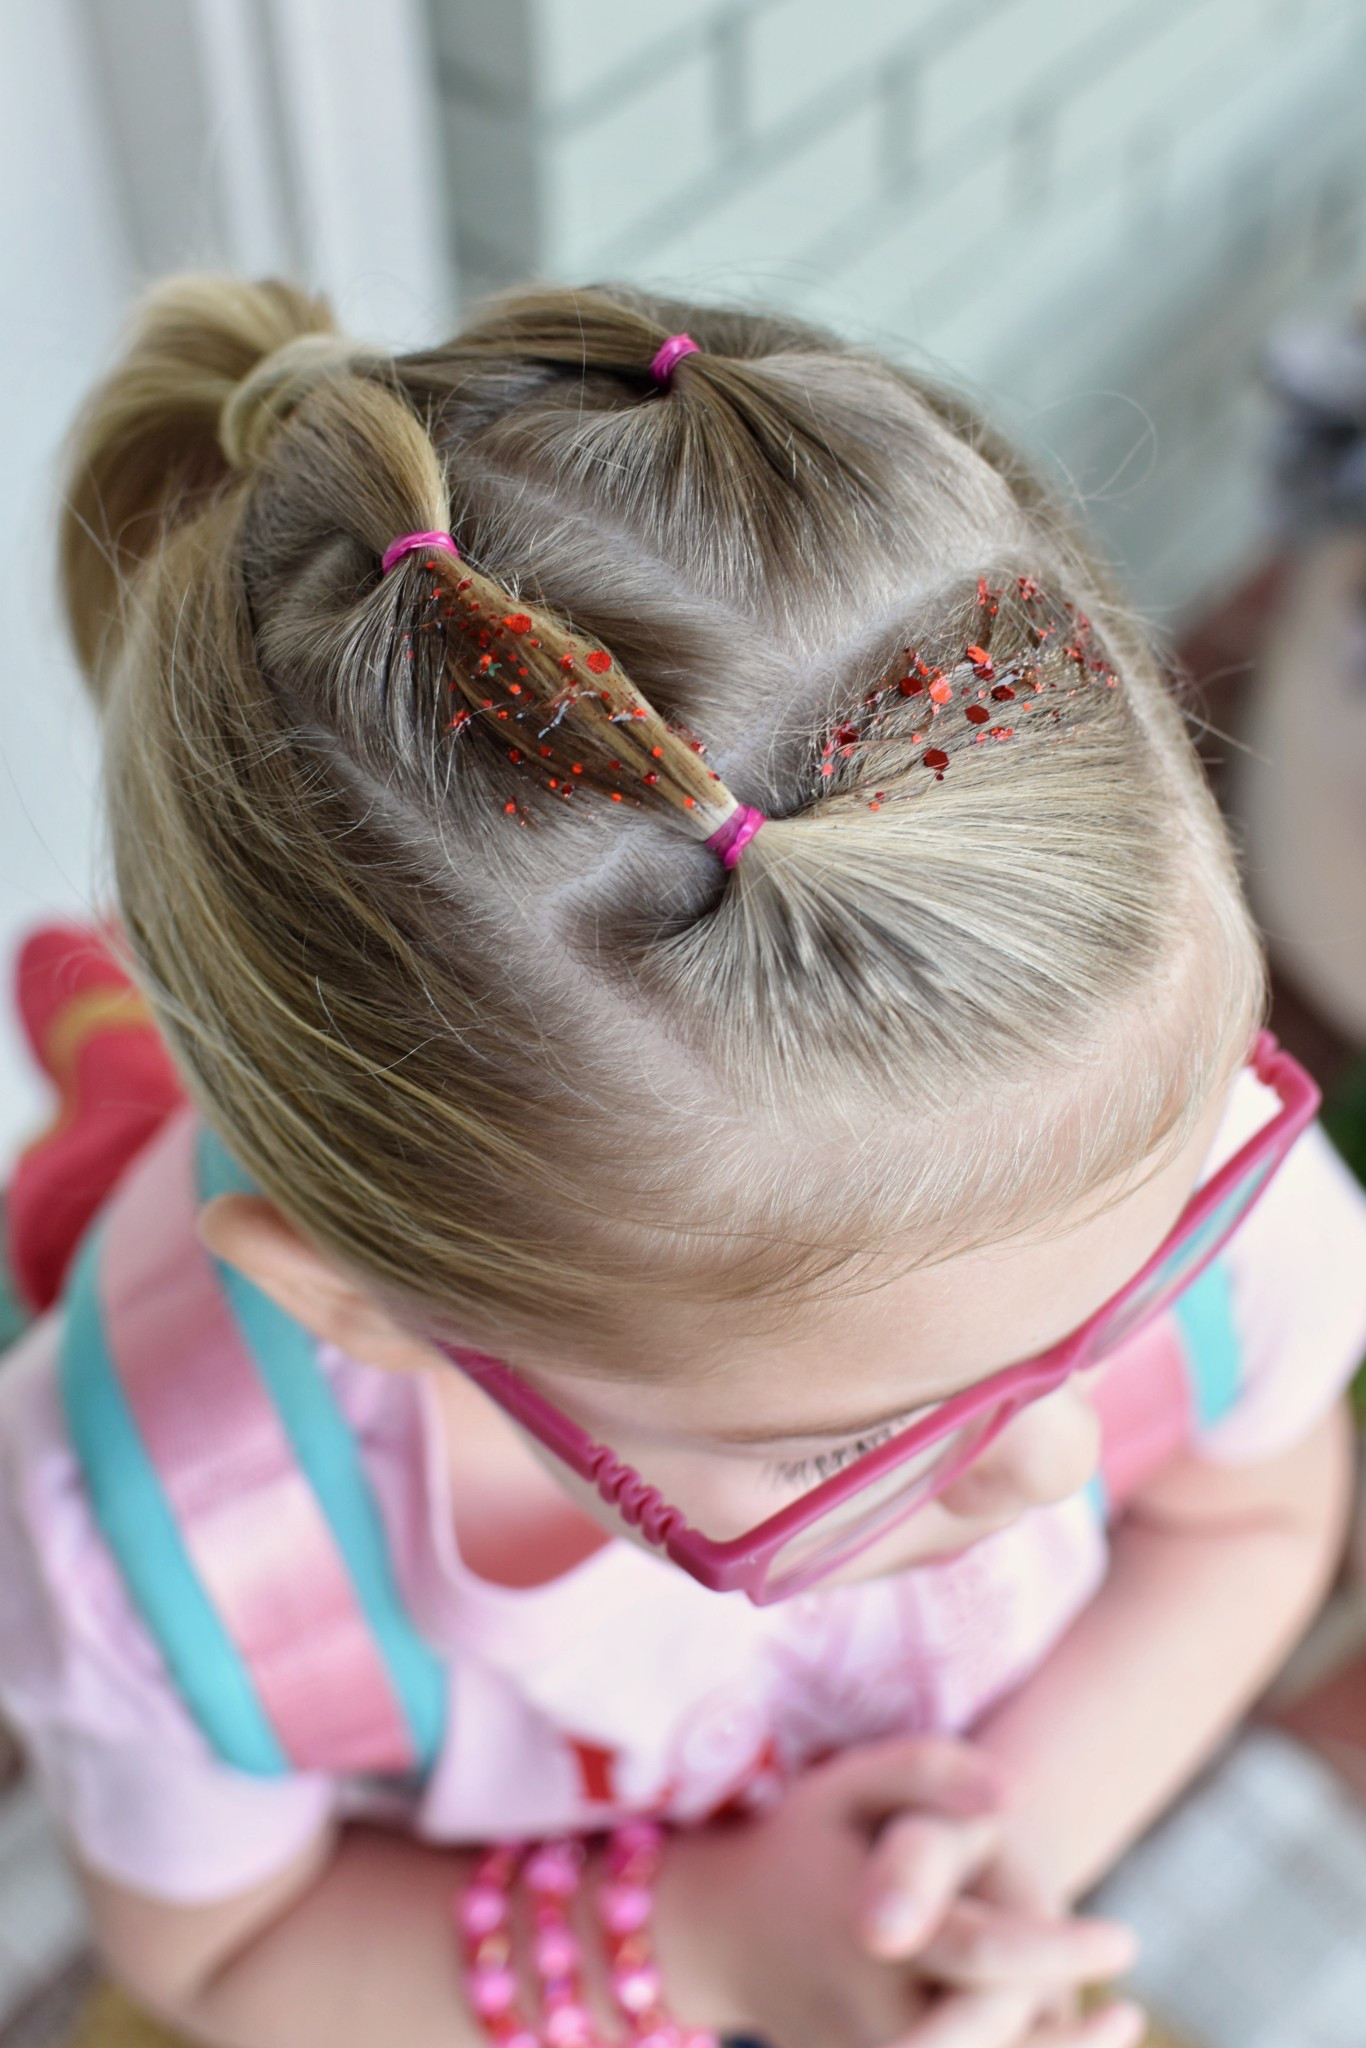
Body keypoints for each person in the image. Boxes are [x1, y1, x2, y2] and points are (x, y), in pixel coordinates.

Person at [1, 274, 1364, 2048]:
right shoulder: (162, 1541)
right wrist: (701, 1948)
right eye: (853, 1446)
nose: (1050, 1462)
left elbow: (1249, 1514)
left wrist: (962, 1878)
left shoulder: (1120, 1161)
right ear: (375, 1308)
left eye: (1142, 1290)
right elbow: (220, 1959)